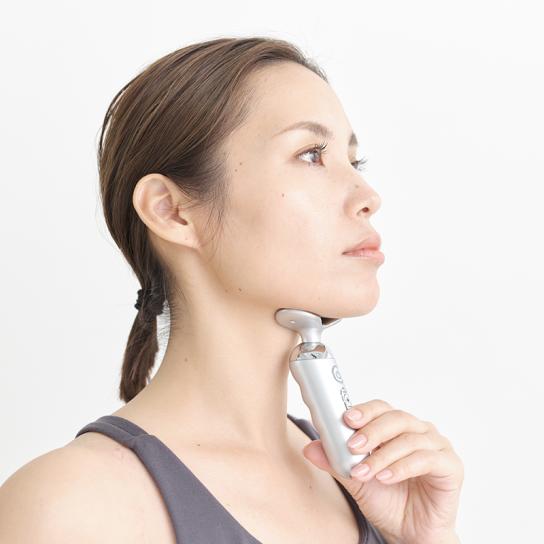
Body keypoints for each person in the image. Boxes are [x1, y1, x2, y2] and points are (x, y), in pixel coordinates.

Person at [0, 36, 463, 543]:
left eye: (355, 162)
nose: (368, 196)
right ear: (172, 211)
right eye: (311, 155)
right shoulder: (74, 508)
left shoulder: (368, 484)